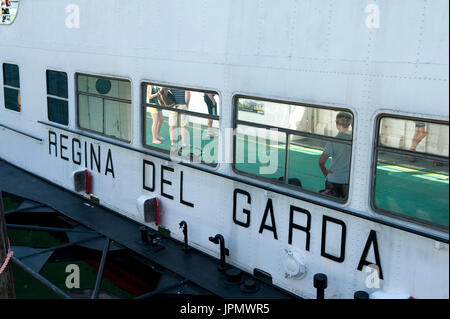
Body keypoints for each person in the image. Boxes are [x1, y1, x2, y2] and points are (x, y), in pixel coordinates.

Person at [318, 112, 352, 198]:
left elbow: (321, 161)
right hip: (347, 180)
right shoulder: (354, 139)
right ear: (349, 124)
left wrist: (325, 172)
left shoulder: (333, 141)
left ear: (336, 123)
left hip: (333, 179)